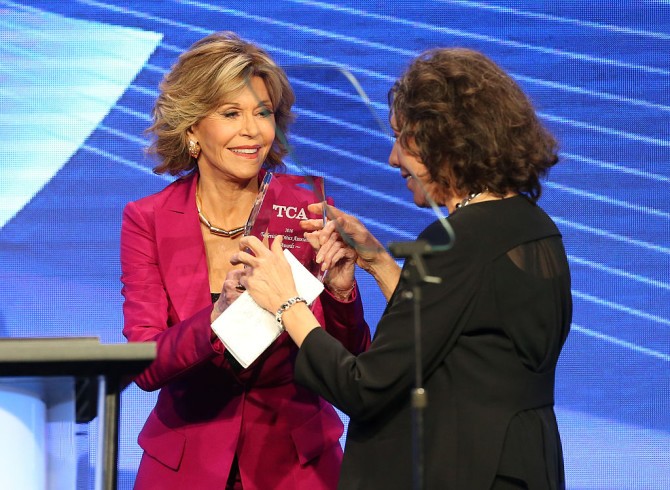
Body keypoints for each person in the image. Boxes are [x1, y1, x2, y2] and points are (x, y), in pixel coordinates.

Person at [233, 47, 572, 489]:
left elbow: (364, 387)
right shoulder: (530, 225)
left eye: (403, 138)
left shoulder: (457, 241)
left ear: (445, 139)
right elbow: (458, 338)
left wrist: (287, 304)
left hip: (467, 468)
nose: (393, 158)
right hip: (523, 465)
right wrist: (376, 261)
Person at [120, 31, 370, 490]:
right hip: (185, 464)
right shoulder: (148, 220)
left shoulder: (304, 208)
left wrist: (339, 293)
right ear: (192, 128)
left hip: (297, 464)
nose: (252, 131)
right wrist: (215, 317)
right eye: (231, 113)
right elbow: (147, 365)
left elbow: (349, 355)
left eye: (263, 113)